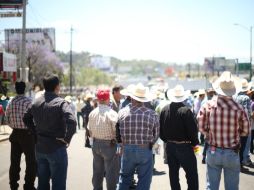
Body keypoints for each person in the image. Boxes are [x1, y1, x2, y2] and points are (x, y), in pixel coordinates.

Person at [23, 74, 77, 190]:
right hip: (56, 148)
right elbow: (72, 122)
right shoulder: (61, 103)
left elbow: (26, 118)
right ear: (57, 86)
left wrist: (34, 132)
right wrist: (66, 139)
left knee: (42, 184)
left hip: (40, 148)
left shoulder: (35, 102)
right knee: (58, 185)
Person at [197, 71, 249, 190]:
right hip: (232, 152)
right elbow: (246, 130)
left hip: (213, 150)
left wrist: (208, 134)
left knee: (211, 187)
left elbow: (200, 126)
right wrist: (236, 133)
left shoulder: (208, 105)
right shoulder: (239, 108)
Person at [116, 83, 159, 190]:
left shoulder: (122, 113)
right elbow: (156, 133)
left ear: (132, 98)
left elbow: (117, 131)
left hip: (127, 148)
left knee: (124, 179)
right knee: (144, 180)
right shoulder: (152, 114)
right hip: (144, 148)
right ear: (144, 99)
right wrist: (150, 143)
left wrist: (121, 143)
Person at [160, 84, 199, 190]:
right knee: (192, 175)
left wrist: (168, 141)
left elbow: (161, 132)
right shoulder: (186, 111)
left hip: (170, 146)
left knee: (173, 175)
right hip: (185, 147)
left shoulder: (164, 110)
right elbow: (193, 131)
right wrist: (195, 144)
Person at [5, 81, 36, 190]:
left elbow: (6, 119)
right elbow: (34, 119)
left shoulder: (11, 102)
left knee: (14, 162)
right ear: (24, 90)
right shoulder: (29, 102)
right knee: (31, 162)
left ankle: (13, 185)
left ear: (16, 89)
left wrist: (14, 126)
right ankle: (28, 186)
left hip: (15, 133)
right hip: (27, 135)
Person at [87, 89, 119, 190]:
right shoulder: (112, 113)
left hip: (96, 144)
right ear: (108, 99)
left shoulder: (92, 113)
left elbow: (89, 130)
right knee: (110, 172)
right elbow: (117, 131)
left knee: (97, 171)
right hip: (109, 145)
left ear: (98, 100)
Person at [234, 78, 253, 168]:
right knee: (245, 145)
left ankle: (238, 162)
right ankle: (243, 161)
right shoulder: (246, 98)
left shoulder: (235, 97)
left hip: (235, 125)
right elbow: (247, 113)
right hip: (244, 125)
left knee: (238, 145)